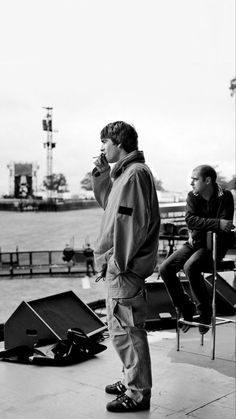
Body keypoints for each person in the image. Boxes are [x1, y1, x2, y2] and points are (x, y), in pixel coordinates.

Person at [92, 121, 160, 413]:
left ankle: (137, 392)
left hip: (124, 269)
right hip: (121, 267)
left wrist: (118, 263)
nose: (102, 148)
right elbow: (110, 206)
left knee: (128, 331)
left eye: (105, 142)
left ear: (118, 143)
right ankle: (131, 378)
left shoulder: (133, 175)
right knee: (121, 329)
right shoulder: (125, 175)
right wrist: (101, 175)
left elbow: (130, 224)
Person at [160, 165, 234, 334]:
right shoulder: (192, 196)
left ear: (207, 180)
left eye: (194, 179)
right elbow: (190, 221)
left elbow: (225, 228)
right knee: (165, 268)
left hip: (214, 246)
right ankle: (186, 306)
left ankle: (205, 311)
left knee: (190, 266)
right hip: (195, 242)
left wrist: (205, 225)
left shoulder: (226, 196)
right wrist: (216, 223)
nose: (191, 182)